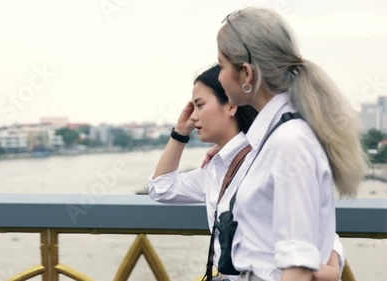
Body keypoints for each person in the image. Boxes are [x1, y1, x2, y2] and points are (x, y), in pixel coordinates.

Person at [148, 64, 345, 281]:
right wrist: (180, 133)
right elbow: (161, 188)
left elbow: (317, 226)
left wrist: (329, 269)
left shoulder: (265, 158)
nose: (193, 116)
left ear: (231, 106)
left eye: (200, 105)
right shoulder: (215, 168)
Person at [215, 7, 366, 281]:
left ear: (246, 74)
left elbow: (297, 268)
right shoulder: (278, 138)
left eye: (222, 65)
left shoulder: (288, 143)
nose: (219, 77)